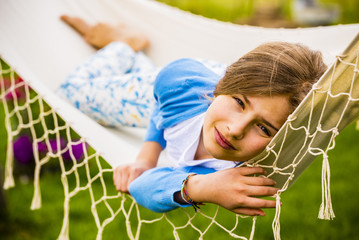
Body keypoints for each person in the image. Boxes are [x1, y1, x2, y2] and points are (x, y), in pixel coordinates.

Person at [59, 15, 327, 216]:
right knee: (72, 92)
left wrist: (202, 187)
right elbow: (161, 101)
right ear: (221, 89)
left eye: (264, 129)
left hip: (204, 98)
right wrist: (147, 156)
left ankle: (135, 56)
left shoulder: (241, 169)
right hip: (174, 91)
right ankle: (127, 44)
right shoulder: (179, 83)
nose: (235, 130)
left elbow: (142, 186)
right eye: (239, 103)